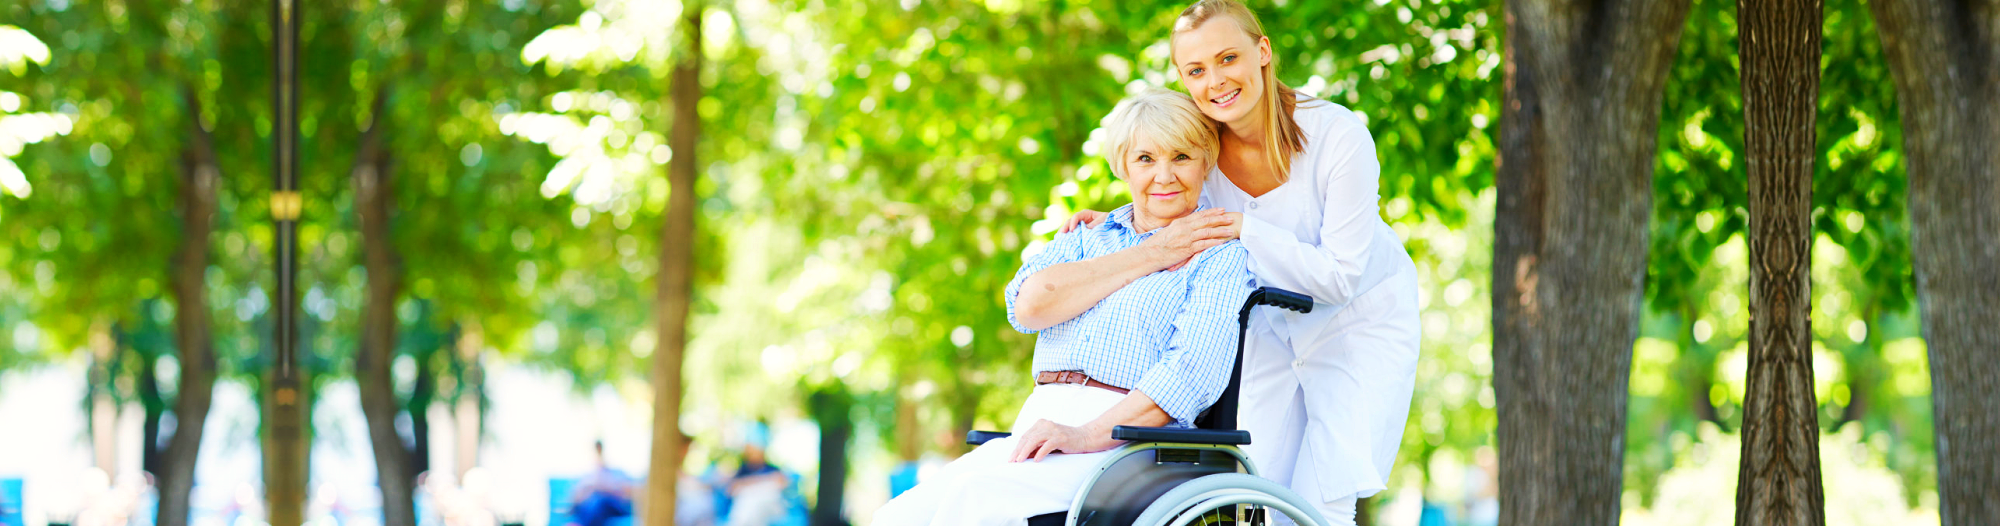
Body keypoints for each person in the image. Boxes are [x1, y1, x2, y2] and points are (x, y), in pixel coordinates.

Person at [1055, 2, 1423, 523]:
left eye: (1228, 58)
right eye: (1196, 70)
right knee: (1254, 482)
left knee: (1325, 495)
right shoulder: (1200, 146)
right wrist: (1117, 220)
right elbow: (1169, 200)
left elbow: (1340, 278)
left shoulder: (1337, 137)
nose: (1217, 81)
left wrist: (1247, 228)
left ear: (1263, 51)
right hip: (1267, 323)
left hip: (1357, 324)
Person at [871, 88, 1256, 526]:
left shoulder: (1219, 257)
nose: (1164, 176)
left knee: (973, 501)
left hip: (1129, 448)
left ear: (1206, 161)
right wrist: (1153, 254)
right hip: (1038, 425)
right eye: (1145, 159)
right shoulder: (1085, 238)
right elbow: (1028, 307)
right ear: (1123, 167)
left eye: (1181, 157)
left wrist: (1084, 435)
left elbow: (1189, 376)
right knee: (896, 516)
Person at [566, 441, 635, 526]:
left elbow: (626, 494)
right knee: (592, 503)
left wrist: (604, 488)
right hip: (590, 506)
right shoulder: (588, 474)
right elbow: (577, 496)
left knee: (598, 502)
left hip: (611, 506)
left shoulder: (617, 472)